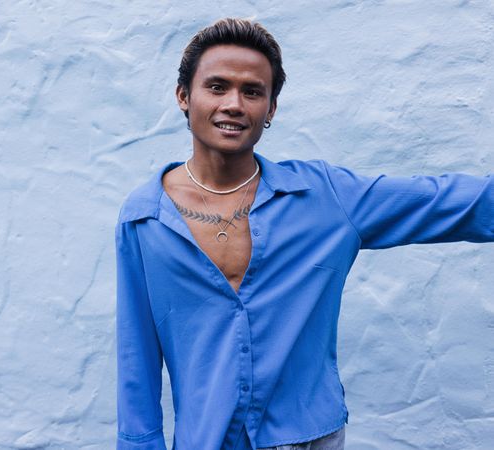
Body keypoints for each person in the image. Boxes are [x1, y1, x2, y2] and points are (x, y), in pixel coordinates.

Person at [114, 18, 493, 450]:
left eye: (252, 91)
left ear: (270, 109)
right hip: (206, 439)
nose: (234, 104)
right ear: (184, 96)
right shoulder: (144, 219)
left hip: (310, 438)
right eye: (217, 87)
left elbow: (452, 202)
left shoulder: (326, 197)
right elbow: (136, 358)